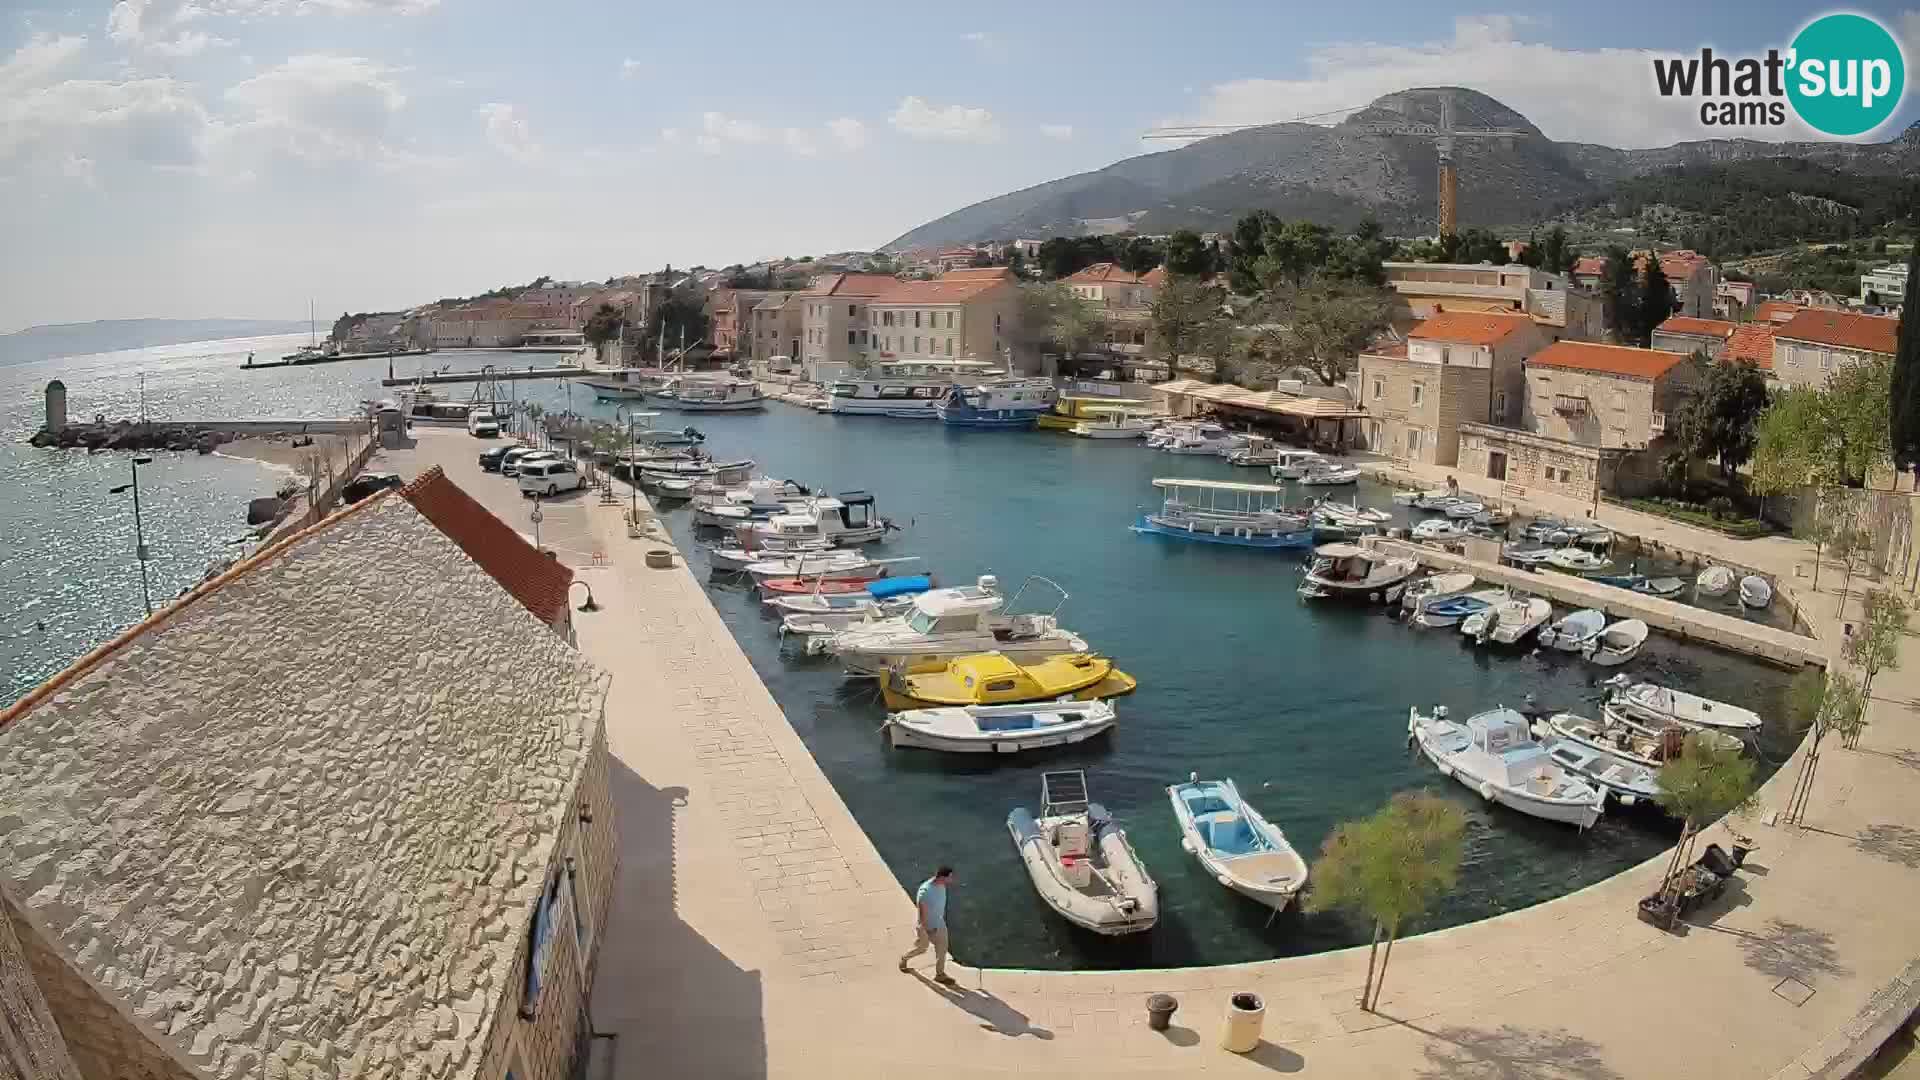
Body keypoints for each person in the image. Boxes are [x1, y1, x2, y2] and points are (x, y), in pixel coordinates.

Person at [899, 865, 955, 985]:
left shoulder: (941, 885)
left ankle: (940, 974)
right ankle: (904, 958)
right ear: (942, 877)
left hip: (939, 924)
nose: (952, 879)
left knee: (942, 949)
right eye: (950, 877)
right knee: (921, 948)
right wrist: (927, 929)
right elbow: (922, 913)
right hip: (926, 927)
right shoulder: (926, 892)